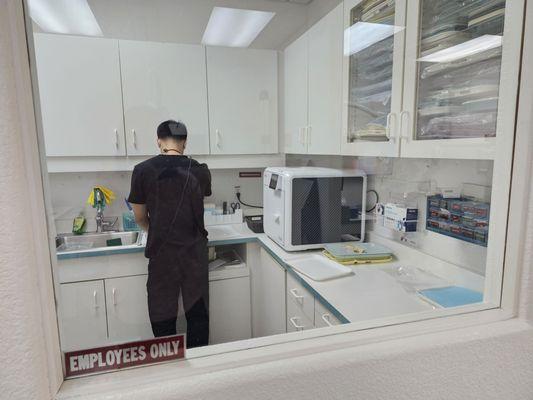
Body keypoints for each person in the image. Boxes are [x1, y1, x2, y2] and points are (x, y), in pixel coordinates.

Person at [128, 120, 211, 348]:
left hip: (163, 255)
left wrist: (155, 230)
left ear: (158, 141)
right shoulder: (201, 170)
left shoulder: (142, 171)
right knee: (198, 314)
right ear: (184, 142)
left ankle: (169, 365)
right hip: (194, 254)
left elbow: (139, 217)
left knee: (162, 315)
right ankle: (200, 364)